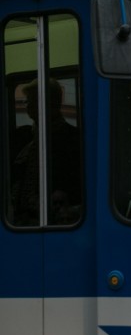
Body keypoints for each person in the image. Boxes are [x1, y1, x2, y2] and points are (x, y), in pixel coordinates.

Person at [10, 78, 81, 226]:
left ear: (47, 103)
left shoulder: (73, 138)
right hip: (17, 218)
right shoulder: (23, 136)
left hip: (53, 218)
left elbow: (77, 181)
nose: (26, 105)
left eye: (31, 100)